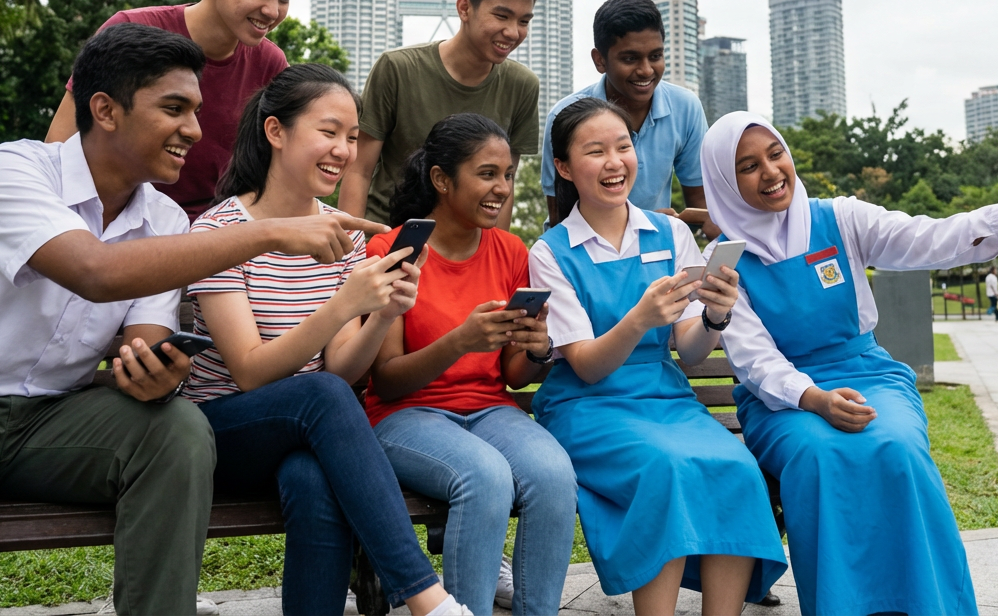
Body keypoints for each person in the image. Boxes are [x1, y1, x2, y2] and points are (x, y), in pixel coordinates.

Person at [0, 23, 388, 615]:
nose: (194, 131)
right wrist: (271, 232)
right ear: (105, 109)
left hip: (56, 417)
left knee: (176, 432)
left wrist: (152, 370)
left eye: (197, 111)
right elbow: (94, 270)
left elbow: (145, 339)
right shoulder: (15, 169)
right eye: (174, 109)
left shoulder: (167, 219)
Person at [698, 111, 998, 616]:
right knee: (818, 455)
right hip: (783, 403)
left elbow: (930, 238)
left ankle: (928, 606)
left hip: (868, 373)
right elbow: (754, 360)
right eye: (747, 166)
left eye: (775, 153)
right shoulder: (724, 259)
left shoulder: (840, 217)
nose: (771, 172)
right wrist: (815, 399)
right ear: (723, 181)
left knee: (898, 447)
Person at [184, 65, 466, 616]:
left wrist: (381, 313)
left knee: (313, 478)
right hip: (222, 432)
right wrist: (343, 305)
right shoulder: (219, 233)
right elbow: (248, 371)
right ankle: (427, 597)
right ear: (275, 132)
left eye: (353, 137)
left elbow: (338, 368)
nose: (343, 150)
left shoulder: (345, 231)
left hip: (310, 430)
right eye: (328, 131)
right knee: (321, 397)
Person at [528, 98, 788, 616]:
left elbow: (690, 351)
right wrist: (640, 319)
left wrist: (715, 316)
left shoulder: (669, 233)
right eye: (595, 151)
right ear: (563, 167)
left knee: (735, 467)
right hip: (588, 406)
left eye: (623, 146)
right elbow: (586, 365)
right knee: (665, 469)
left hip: (665, 398)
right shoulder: (550, 252)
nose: (614, 162)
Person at [365, 114, 576, 616]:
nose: (501, 188)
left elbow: (512, 374)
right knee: (484, 477)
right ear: (442, 179)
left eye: (506, 174)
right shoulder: (395, 250)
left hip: (488, 409)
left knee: (553, 475)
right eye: (486, 174)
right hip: (403, 416)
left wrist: (538, 348)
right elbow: (387, 380)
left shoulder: (508, 250)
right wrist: (459, 341)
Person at [47, 0, 304, 218]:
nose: (272, 11)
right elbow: (59, 151)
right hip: (111, 222)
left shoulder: (270, 63)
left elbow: (277, 171)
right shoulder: (130, 31)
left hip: (216, 235)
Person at [339, 0, 545, 226]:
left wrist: (497, 257)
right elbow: (359, 170)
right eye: (501, 16)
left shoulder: (522, 86)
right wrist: (353, 252)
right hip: (389, 238)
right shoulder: (397, 68)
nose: (513, 32)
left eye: (524, 21)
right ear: (464, 8)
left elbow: (505, 184)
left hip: (466, 250)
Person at [542, 0, 712, 236]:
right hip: (586, 250)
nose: (645, 70)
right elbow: (560, 215)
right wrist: (633, 229)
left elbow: (700, 206)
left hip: (658, 244)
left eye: (655, 56)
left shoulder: (685, 107)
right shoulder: (565, 116)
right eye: (630, 58)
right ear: (600, 60)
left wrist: (675, 226)